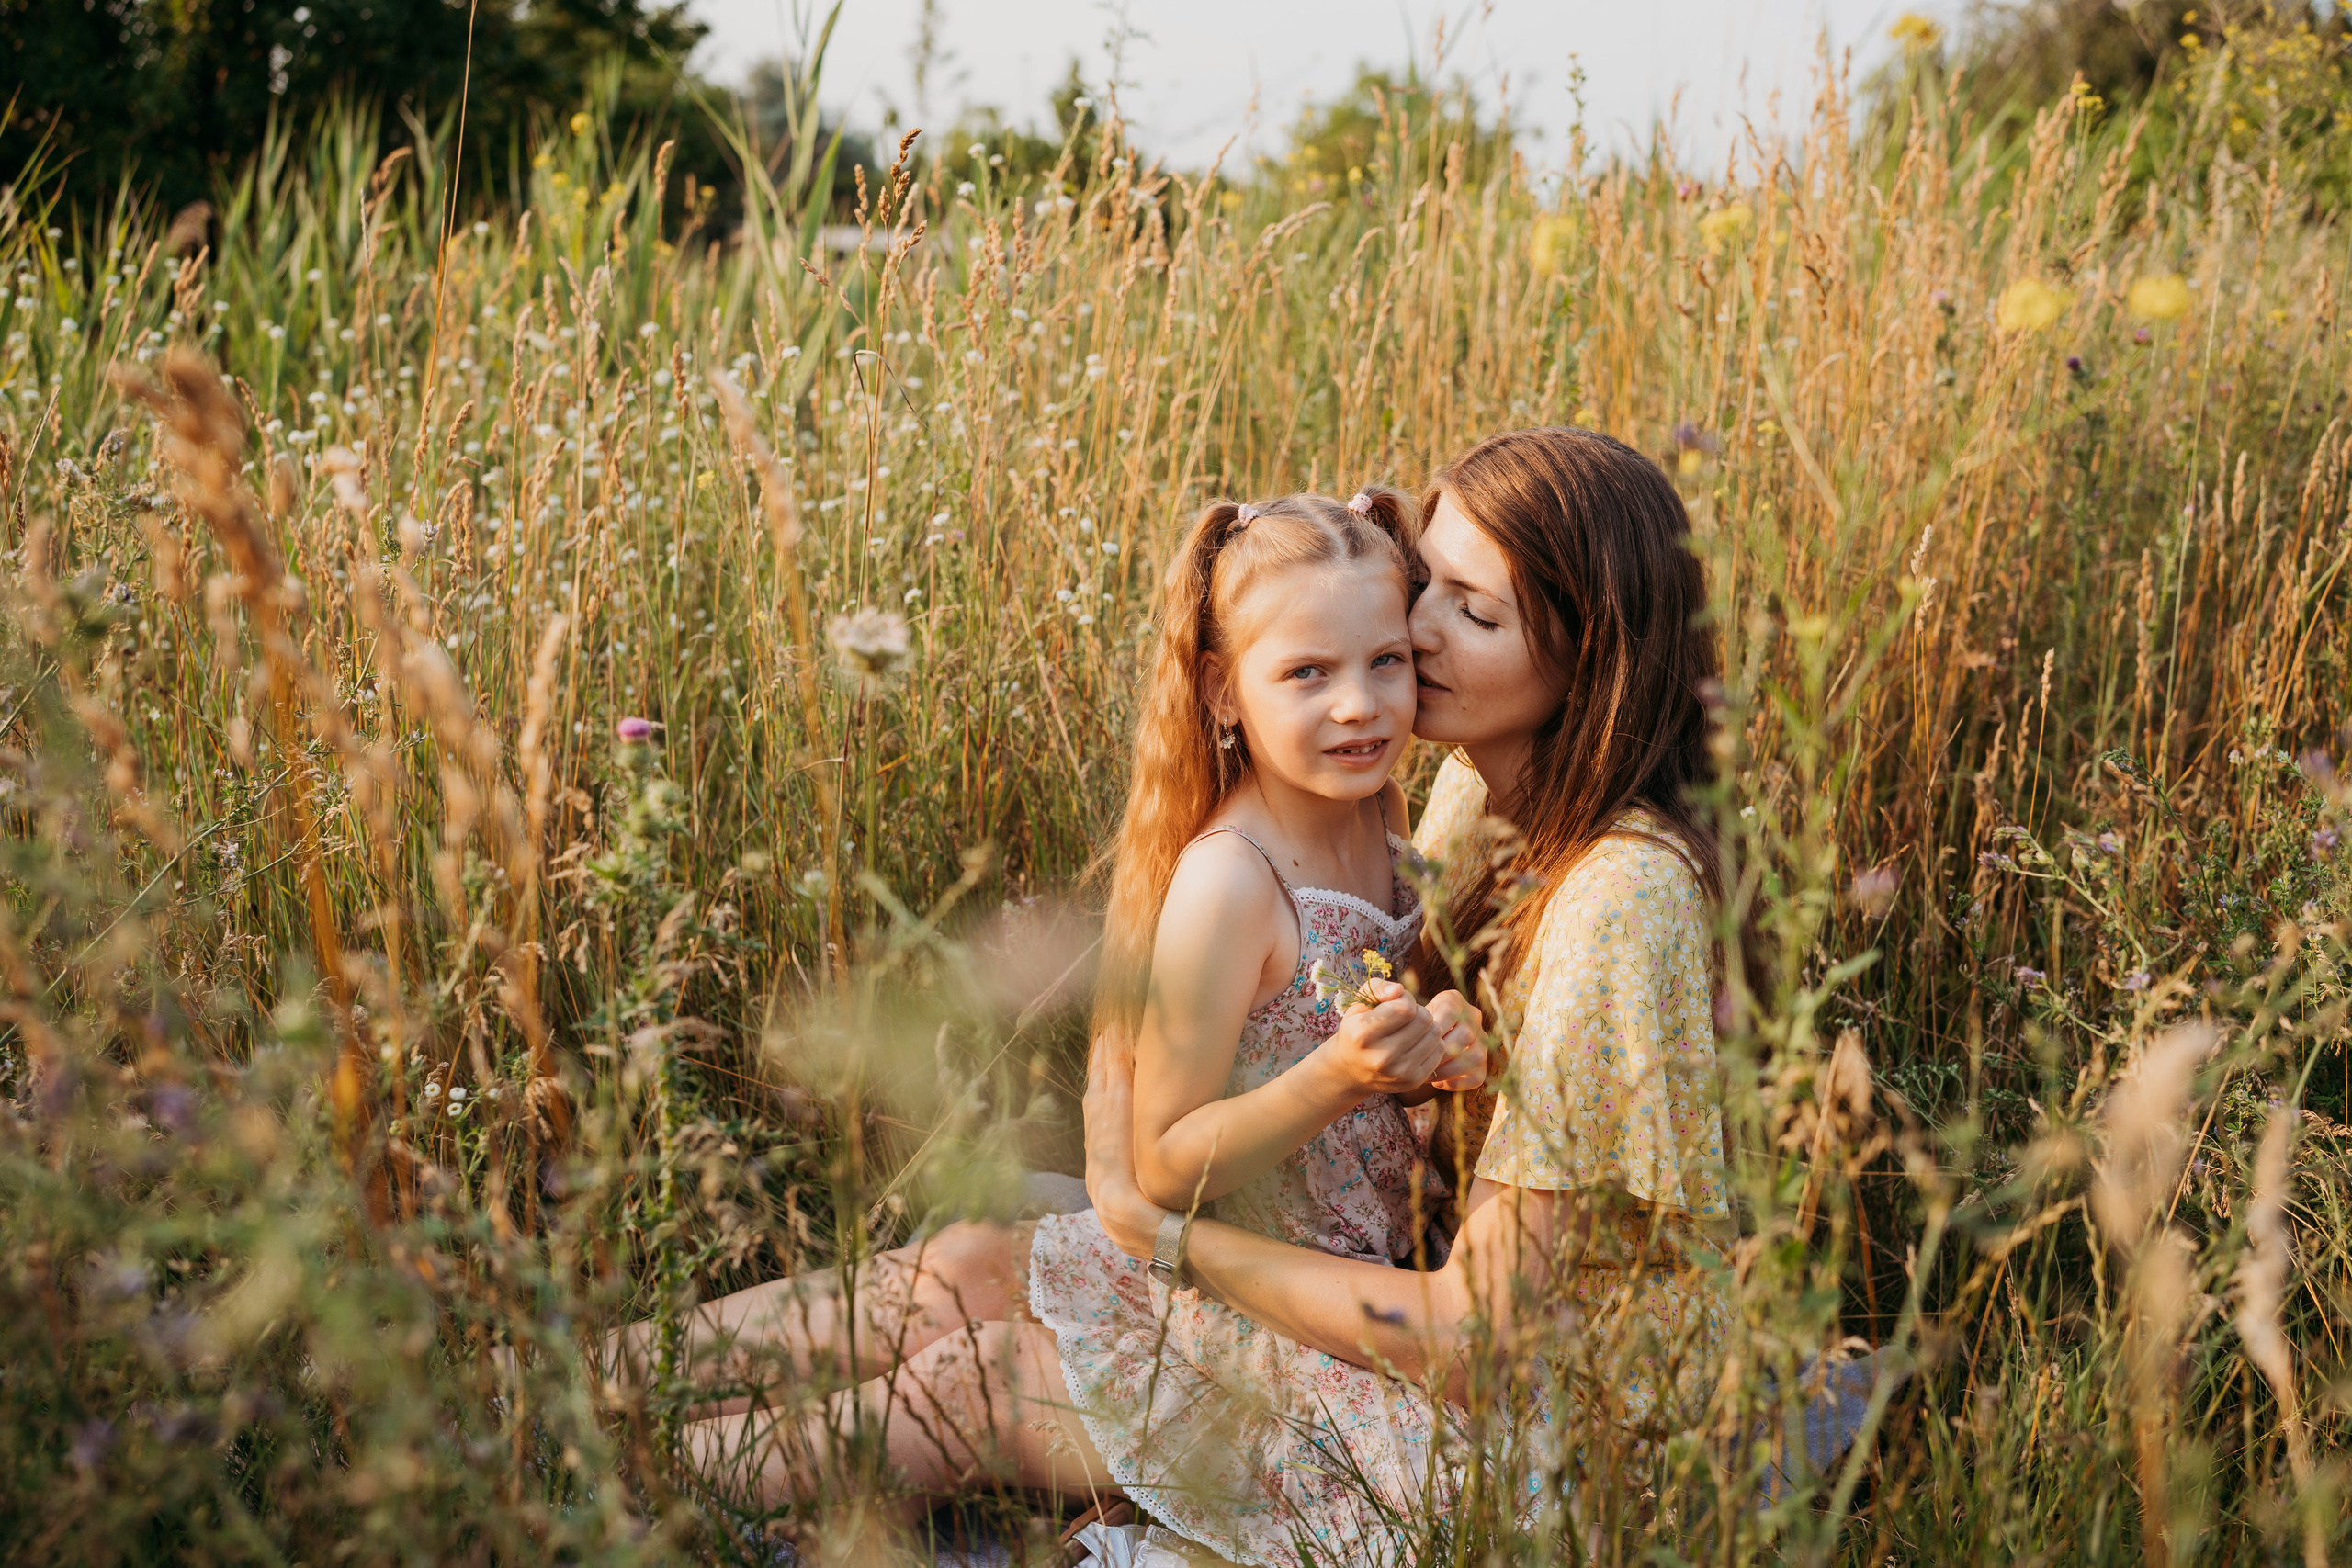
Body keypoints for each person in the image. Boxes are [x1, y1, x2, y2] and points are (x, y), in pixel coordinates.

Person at [662, 427, 1733, 1566]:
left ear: (1594, 656)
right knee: (978, 1262)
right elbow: (1340, 1026)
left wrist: (1156, 1232)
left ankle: (605, 1493)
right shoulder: (1477, 795)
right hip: (1384, 1274)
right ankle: (560, 1390)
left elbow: (1470, 1344)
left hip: (1535, 1440)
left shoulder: (1622, 897)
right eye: (1428, 587)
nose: (1412, 637)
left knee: (990, 1378)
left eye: (1471, 614)